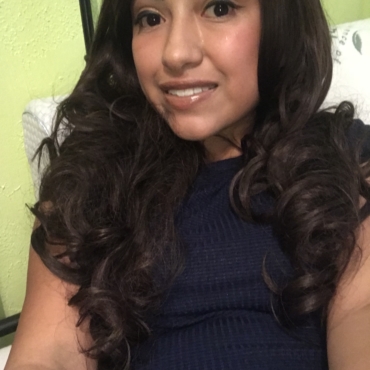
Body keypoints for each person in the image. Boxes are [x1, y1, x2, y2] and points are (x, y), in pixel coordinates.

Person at [5, 0, 370, 369]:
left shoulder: (346, 160)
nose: (176, 54)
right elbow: (48, 355)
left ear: (283, 20)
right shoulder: (89, 178)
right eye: (150, 18)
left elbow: (360, 315)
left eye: (219, 9)